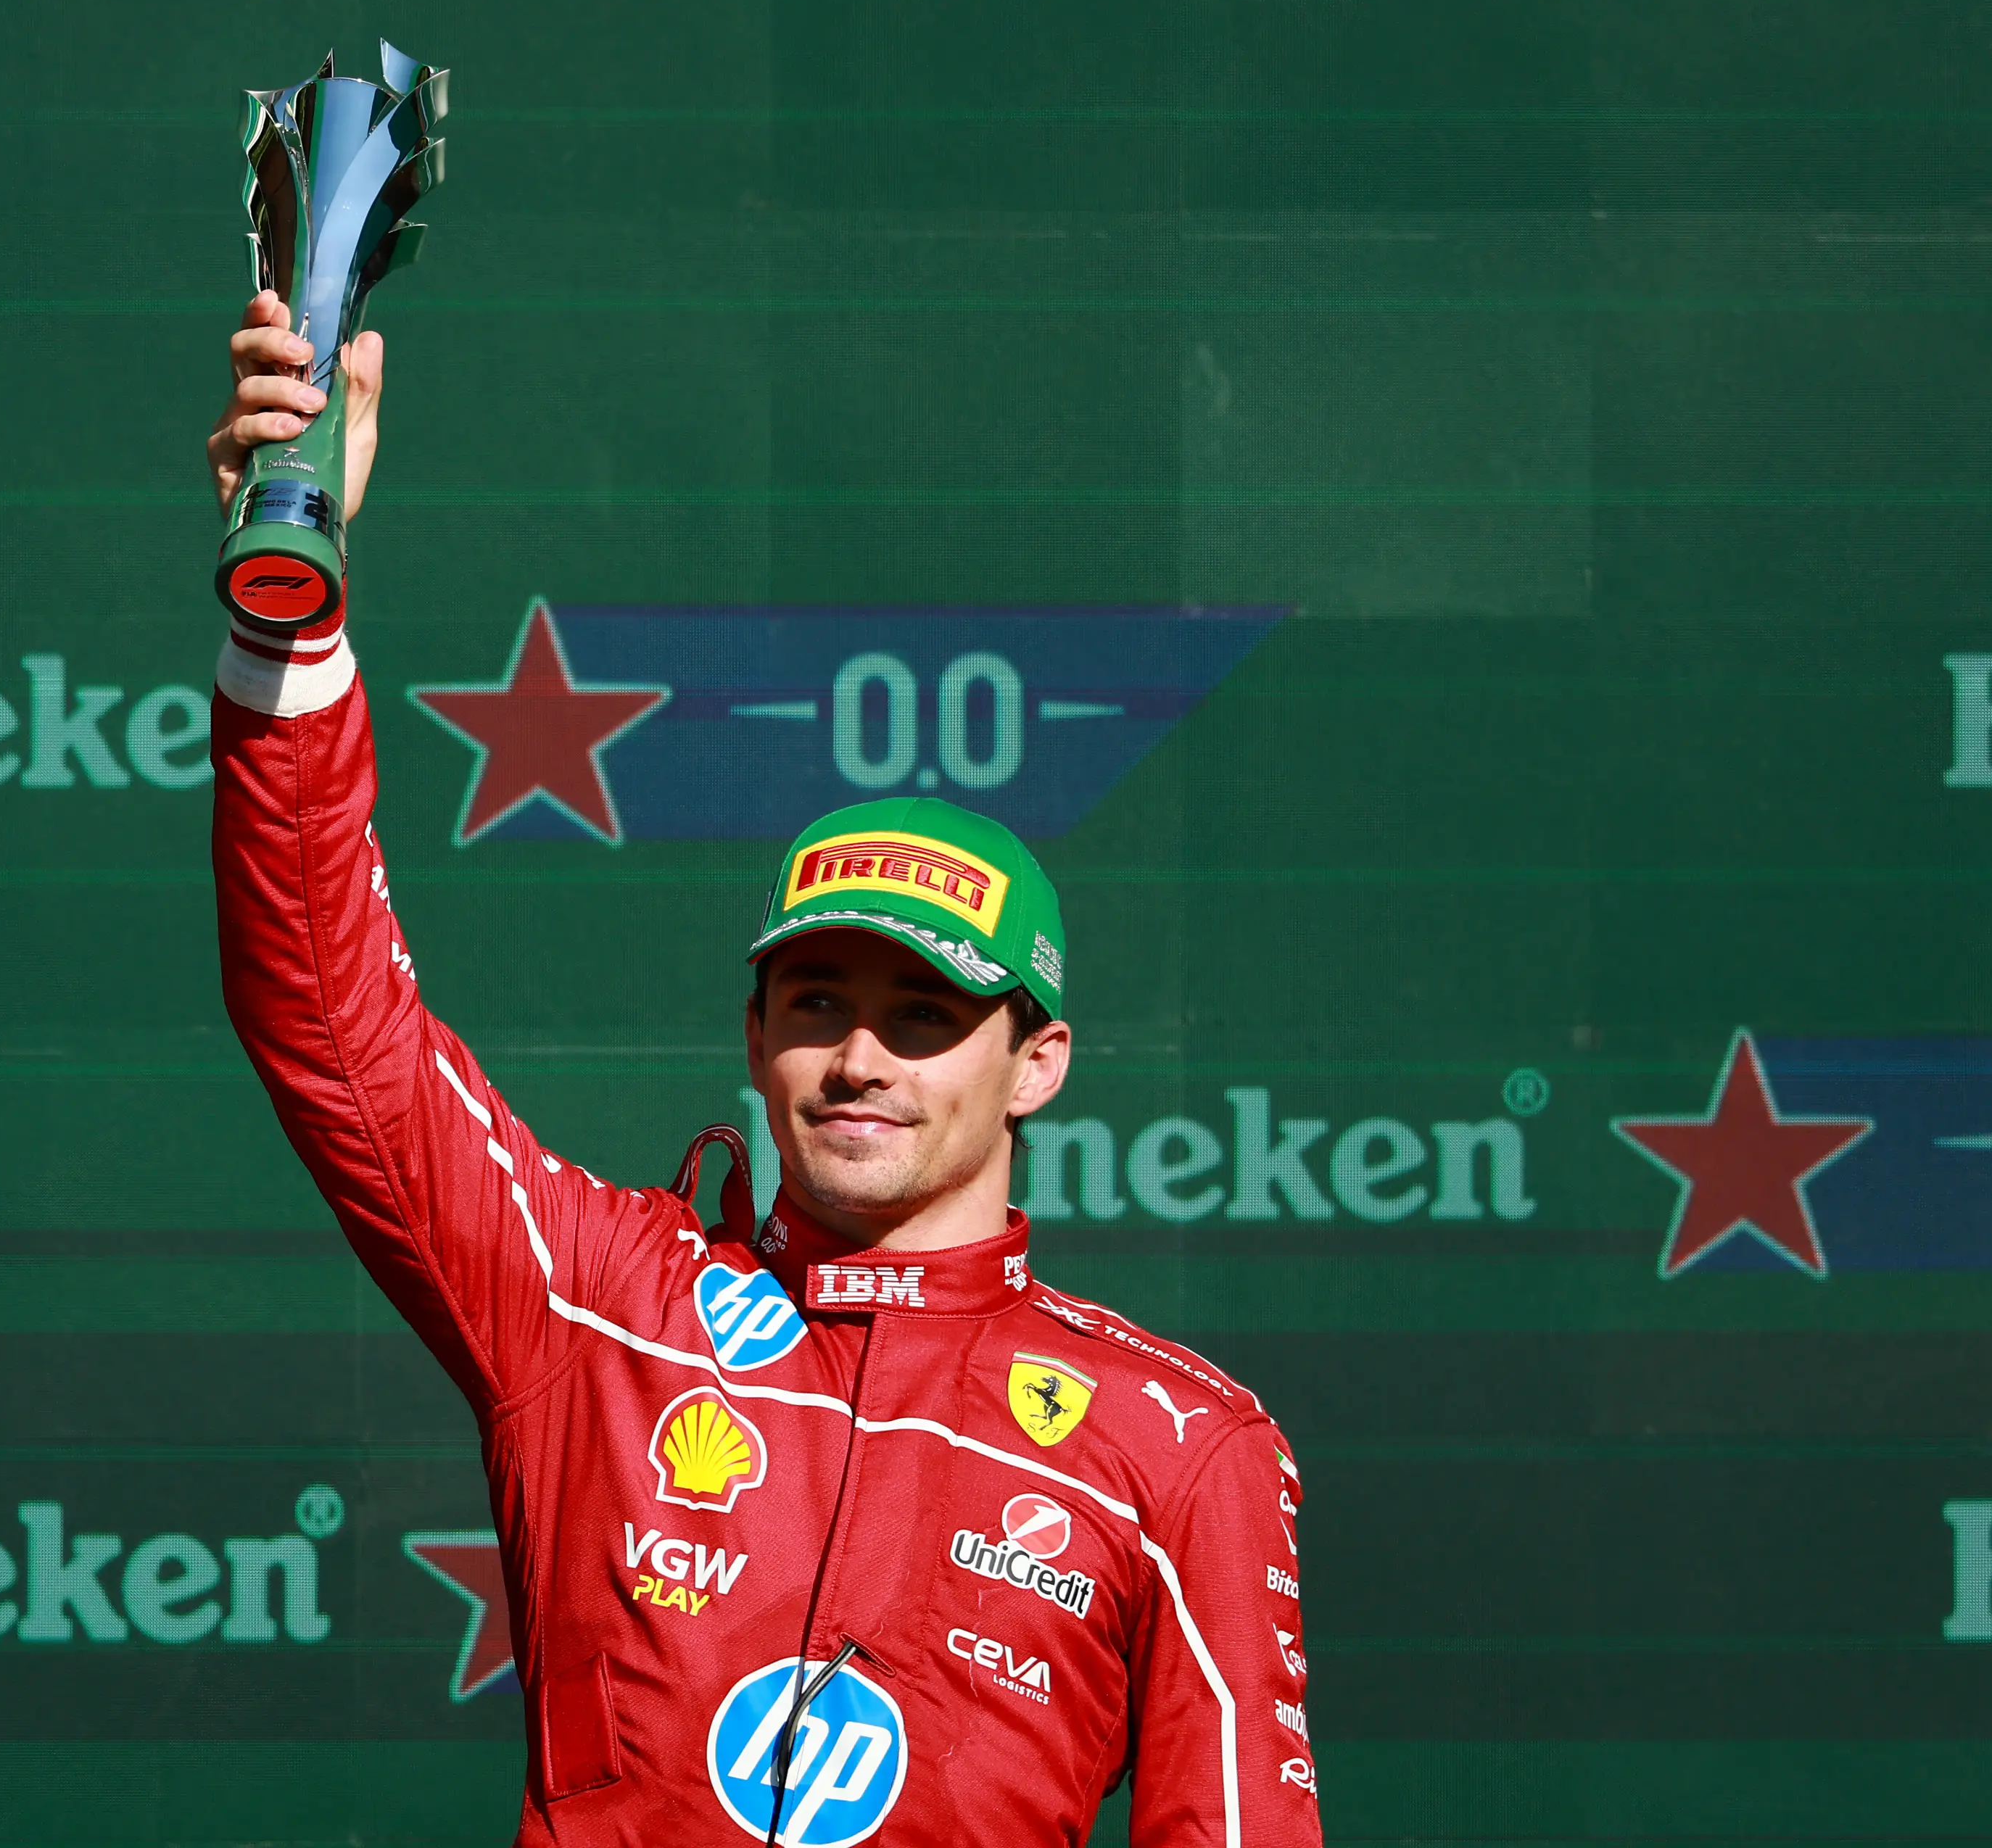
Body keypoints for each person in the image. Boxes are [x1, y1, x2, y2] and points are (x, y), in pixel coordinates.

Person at [206, 294, 1320, 1847]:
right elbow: (328, 1016)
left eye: (928, 1013)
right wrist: (287, 609)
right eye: (817, 999)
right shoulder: (604, 1302)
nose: (861, 1054)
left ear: (1037, 1063)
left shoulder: (1182, 1444)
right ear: (753, 1034)